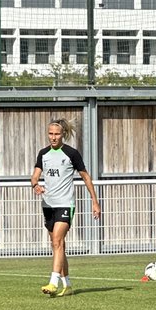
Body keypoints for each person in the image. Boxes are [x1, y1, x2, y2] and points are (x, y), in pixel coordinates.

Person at [31, 117, 101, 297]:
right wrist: (36, 185)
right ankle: (67, 284)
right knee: (57, 246)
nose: (53, 137)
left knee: (58, 241)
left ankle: (53, 282)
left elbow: (85, 177)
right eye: (50, 134)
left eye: (56, 134)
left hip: (65, 203)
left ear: (63, 134)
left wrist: (95, 201)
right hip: (48, 204)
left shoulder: (71, 153)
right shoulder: (43, 154)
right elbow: (35, 176)